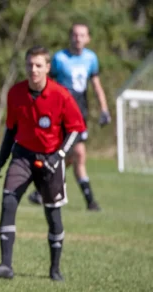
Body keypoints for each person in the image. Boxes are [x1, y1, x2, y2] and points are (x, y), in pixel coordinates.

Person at [0, 46, 86, 282]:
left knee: (53, 214)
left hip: (51, 159)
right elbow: (10, 132)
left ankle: (55, 269)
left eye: (39, 65)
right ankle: (5, 266)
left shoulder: (61, 95)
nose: (33, 69)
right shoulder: (16, 93)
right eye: (30, 64)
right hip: (22, 156)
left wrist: (58, 156)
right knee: (9, 200)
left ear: (48, 68)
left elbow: (75, 130)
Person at [27, 23, 110, 211]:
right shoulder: (59, 59)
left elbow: (96, 85)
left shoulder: (91, 59)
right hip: (62, 115)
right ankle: (90, 201)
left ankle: (42, 188)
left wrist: (104, 109)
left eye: (82, 35)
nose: (78, 38)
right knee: (77, 153)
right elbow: (49, 84)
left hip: (81, 114)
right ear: (70, 37)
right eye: (75, 35)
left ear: (88, 38)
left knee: (70, 156)